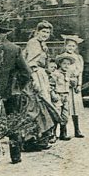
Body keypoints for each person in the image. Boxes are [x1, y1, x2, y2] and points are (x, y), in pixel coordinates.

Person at [0, 24, 32, 164]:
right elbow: (26, 73)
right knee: (13, 120)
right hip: (11, 91)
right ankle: (15, 156)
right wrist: (19, 86)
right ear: (7, 34)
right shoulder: (14, 49)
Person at [22, 21, 60, 149]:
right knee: (35, 106)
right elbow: (30, 63)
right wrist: (34, 80)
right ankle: (31, 140)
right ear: (37, 31)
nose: (45, 34)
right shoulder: (33, 43)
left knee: (42, 106)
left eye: (48, 32)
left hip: (41, 75)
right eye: (43, 31)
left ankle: (41, 138)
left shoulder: (42, 44)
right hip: (35, 75)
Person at [61, 35, 86, 138]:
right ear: (65, 46)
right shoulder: (62, 57)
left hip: (75, 85)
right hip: (65, 84)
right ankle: (63, 131)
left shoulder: (79, 58)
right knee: (65, 108)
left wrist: (79, 84)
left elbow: (80, 72)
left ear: (76, 47)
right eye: (69, 46)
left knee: (75, 108)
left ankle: (77, 130)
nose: (71, 48)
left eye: (73, 46)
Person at [52, 54, 77, 141]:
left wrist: (74, 81)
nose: (66, 66)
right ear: (60, 64)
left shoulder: (69, 74)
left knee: (65, 115)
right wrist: (53, 95)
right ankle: (53, 135)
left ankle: (63, 133)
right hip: (58, 95)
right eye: (64, 63)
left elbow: (72, 85)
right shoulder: (56, 74)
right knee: (56, 114)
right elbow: (51, 85)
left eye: (68, 64)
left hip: (66, 96)